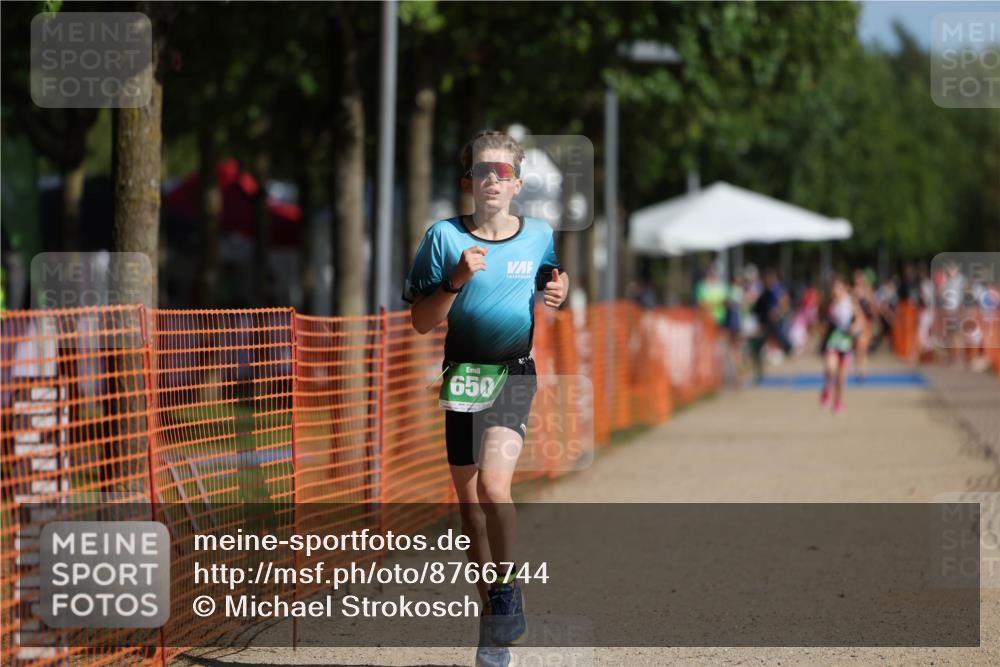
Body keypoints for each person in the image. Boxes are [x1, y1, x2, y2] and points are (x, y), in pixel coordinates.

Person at [404, 130, 569, 667]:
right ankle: (493, 621)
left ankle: (508, 591)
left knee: (496, 487)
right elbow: (422, 323)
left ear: (517, 184)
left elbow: (553, 284)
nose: (492, 180)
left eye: (502, 172)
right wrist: (454, 281)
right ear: (468, 181)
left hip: (514, 373)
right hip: (462, 378)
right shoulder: (443, 238)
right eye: (483, 171)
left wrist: (560, 295)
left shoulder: (539, 233)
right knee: (470, 510)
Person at [820, 276, 866, 415]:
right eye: (833, 289)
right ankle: (827, 388)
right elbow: (820, 320)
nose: (835, 292)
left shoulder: (850, 303)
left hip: (846, 344)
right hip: (833, 342)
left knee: (841, 378)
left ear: (844, 288)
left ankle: (838, 402)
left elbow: (861, 319)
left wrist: (855, 327)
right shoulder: (829, 304)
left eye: (838, 288)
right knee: (830, 368)